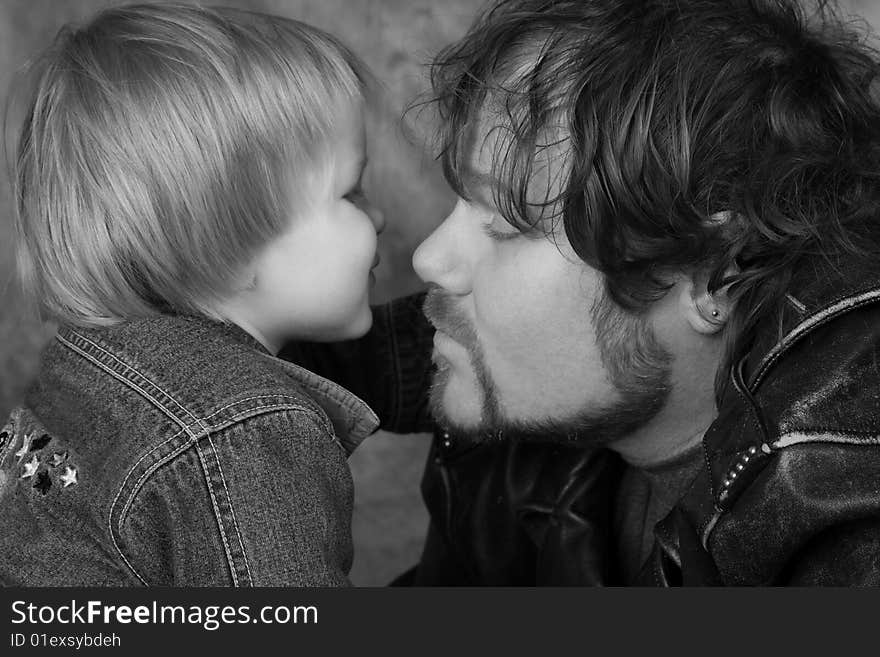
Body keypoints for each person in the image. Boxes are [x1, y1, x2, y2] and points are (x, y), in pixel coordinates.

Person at [283, 0, 880, 585]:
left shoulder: (841, 522)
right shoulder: (527, 378)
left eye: (503, 224)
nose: (429, 259)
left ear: (711, 275)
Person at [0, 3, 385, 586]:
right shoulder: (244, 430)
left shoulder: (84, 366)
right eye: (351, 194)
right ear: (231, 240)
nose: (380, 218)